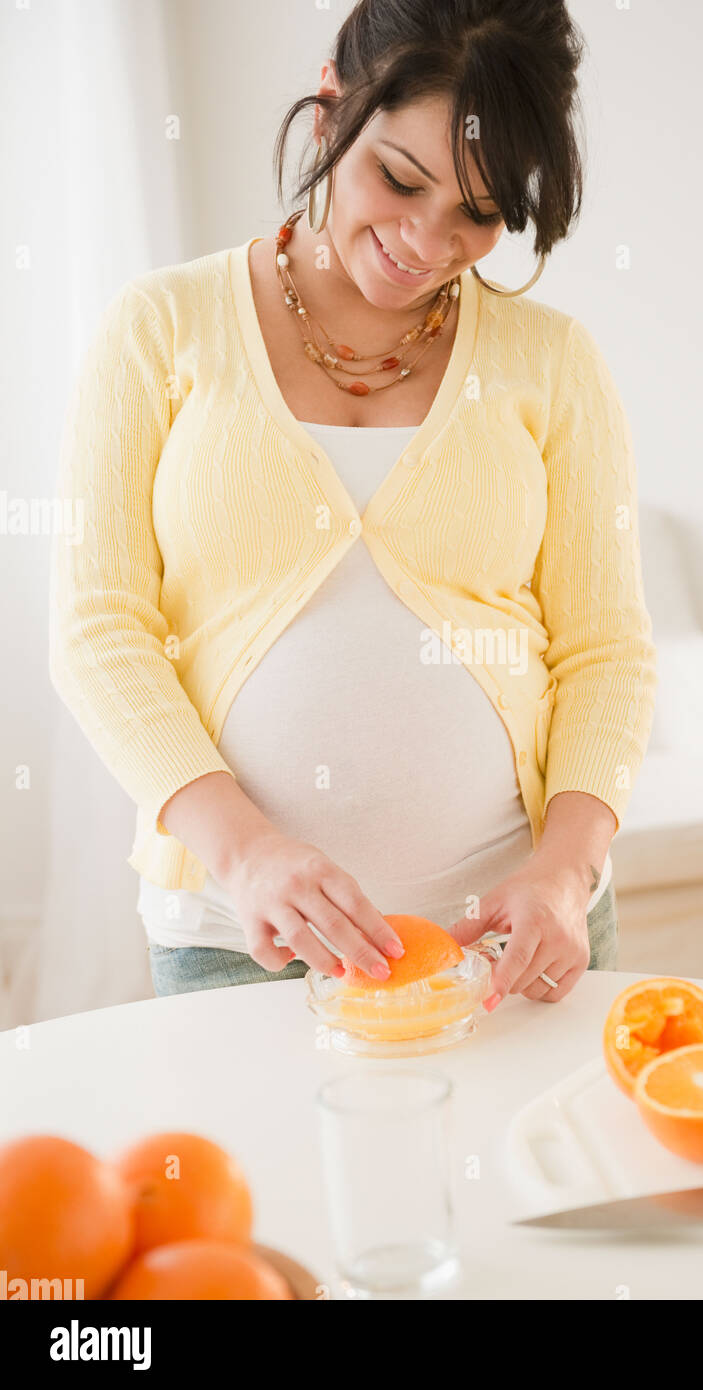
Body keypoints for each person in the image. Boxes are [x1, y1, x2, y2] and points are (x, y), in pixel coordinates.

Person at [49, 0, 656, 1006]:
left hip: (514, 951)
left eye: (478, 214)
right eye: (398, 179)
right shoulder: (158, 327)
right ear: (332, 103)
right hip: (242, 938)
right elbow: (97, 628)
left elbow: (606, 651)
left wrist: (564, 872)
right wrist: (244, 855)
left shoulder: (552, 362)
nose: (424, 242)